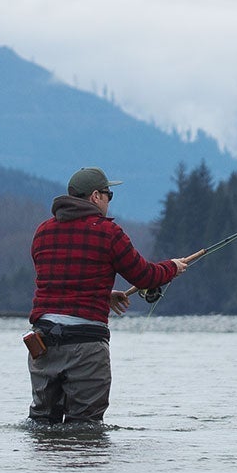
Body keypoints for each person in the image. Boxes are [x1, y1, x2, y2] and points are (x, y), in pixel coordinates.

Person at [27, 166, 195, 424]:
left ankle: (41, 467)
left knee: (42, 423)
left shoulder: (43, 232)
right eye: (108, 195)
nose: (108, 201)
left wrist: (104, 294)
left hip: (43, 344)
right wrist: (172, 267)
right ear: (95, 196)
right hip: (86, 347)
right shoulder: (107, 233)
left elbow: (59, 282)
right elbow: (145, 277)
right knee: (85, 429)